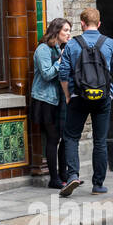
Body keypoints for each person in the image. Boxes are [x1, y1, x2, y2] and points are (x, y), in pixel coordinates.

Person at [59, 7, 113, 196]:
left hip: (78, 96)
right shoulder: (109, 43)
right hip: (102, 97)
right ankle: (98, 184)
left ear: (82, 24)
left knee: (70, 137)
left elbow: (63, 73)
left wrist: (68, 95)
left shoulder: (72, 44)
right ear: (99, 23)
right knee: (100, 140)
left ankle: (72, 176)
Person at [31, 18, 71, 189]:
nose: (69, 34)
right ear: (56, 32)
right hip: (45, 100)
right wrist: (60, 62)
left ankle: (65, 175)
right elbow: (47, 74)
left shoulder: (58, 48)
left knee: (64, 137)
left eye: (70, 30)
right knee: (53, 138)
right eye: (66, 30)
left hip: (59, 99)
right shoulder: (43, 49)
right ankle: (53, 179)